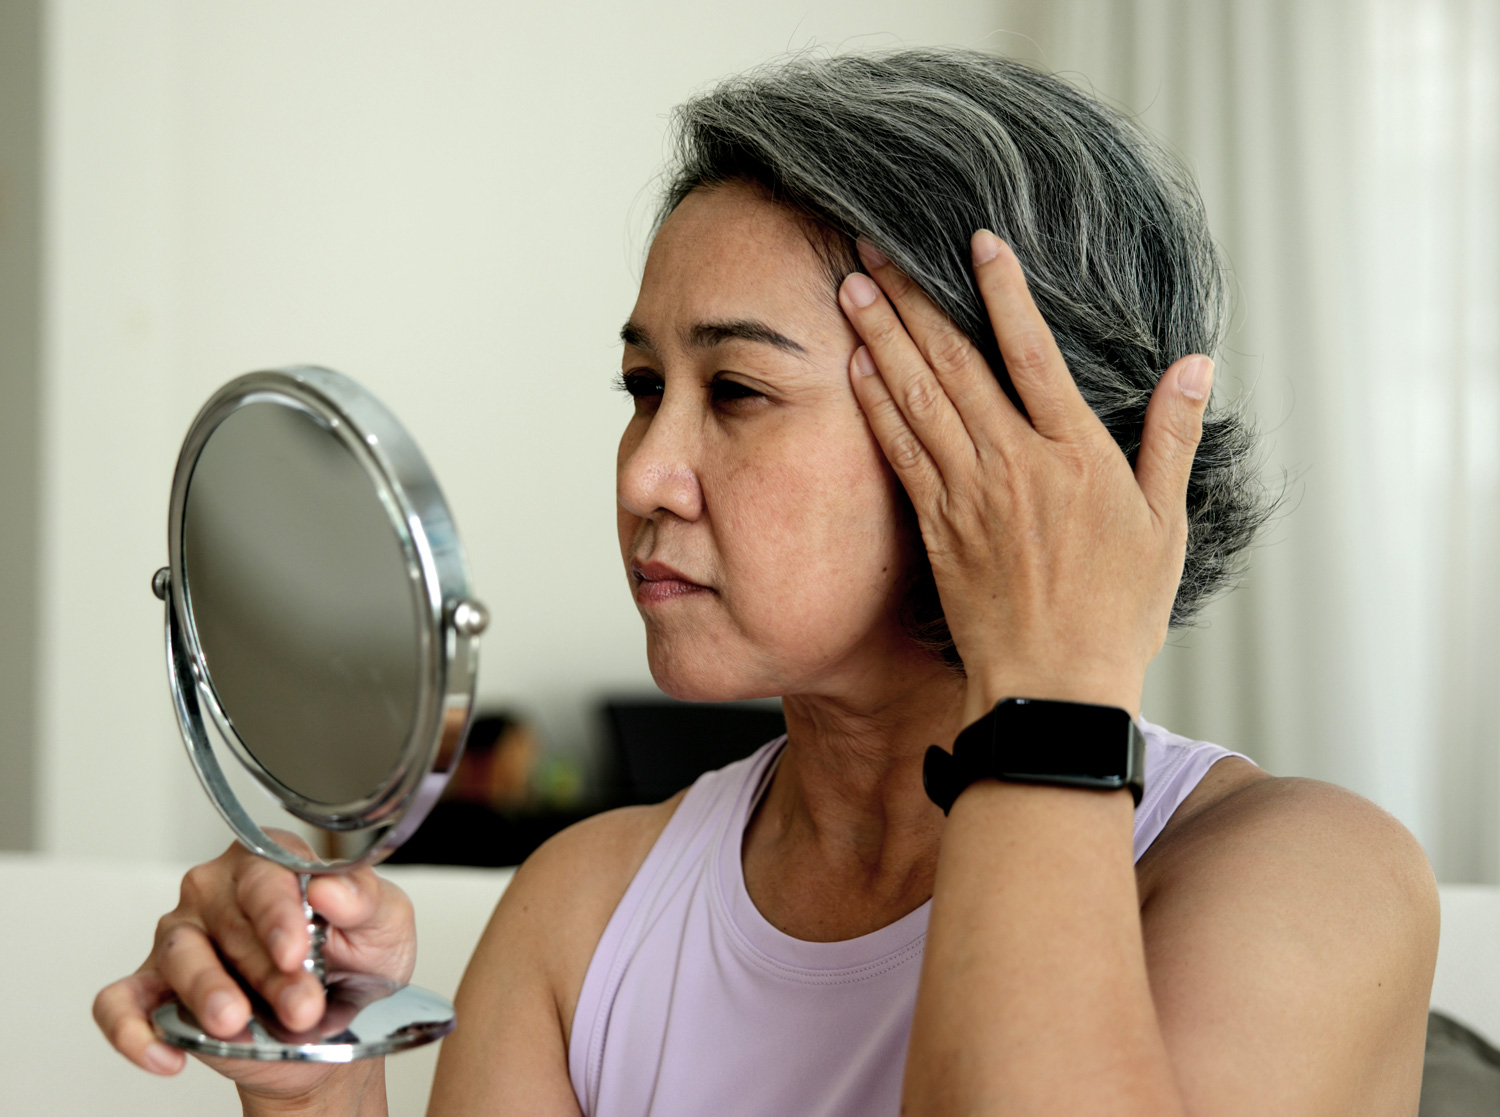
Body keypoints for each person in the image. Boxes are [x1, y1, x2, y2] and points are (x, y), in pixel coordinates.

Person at [95, 49, 1439, 1115]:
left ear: (1026, 450)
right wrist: (306, 1087)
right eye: (641, 388)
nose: (643, 474)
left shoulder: (1302, 879)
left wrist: (1049, 687)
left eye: (734, 389)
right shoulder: (585, 911)